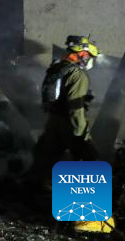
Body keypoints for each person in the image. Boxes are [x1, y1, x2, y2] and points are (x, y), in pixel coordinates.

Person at [32, 35, 100, 178]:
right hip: (69, 124)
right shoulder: (78, 74)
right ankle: (87, 192)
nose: (90, 59)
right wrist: (82, 133)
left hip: (53, 122)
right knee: (90, 161)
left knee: (44, 160)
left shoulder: (57, 67)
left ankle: (31, 186)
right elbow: (75, 108)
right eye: (89, 56)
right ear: (82, 54)